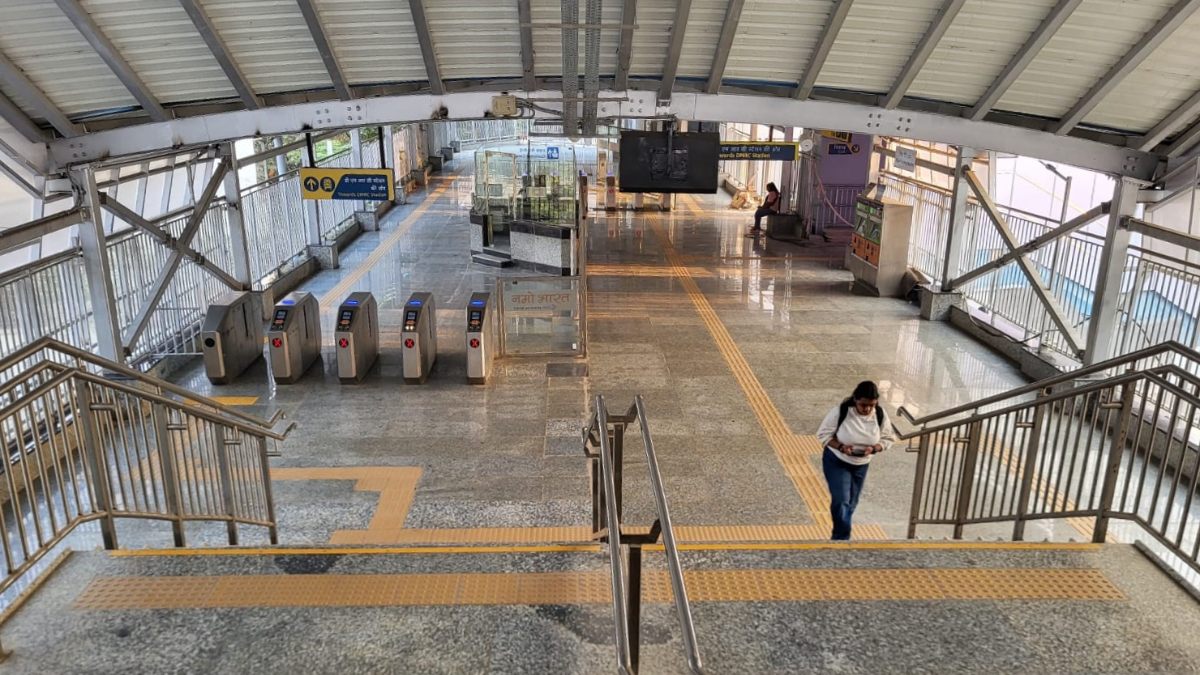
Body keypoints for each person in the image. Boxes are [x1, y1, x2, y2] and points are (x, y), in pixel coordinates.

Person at [816, 381, 895, 540]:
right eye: (863, 405)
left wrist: (874, 448)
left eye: (871, 405)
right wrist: (841, 447)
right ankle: (841, 538)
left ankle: (841, 533)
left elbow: (889, 438)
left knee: (851, 503)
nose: (867, 409)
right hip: (837, 460)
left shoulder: (879, 414)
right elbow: (823, 435)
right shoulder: (842, 411)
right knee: (841, 501)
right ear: (855, 400)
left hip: (861, 464)